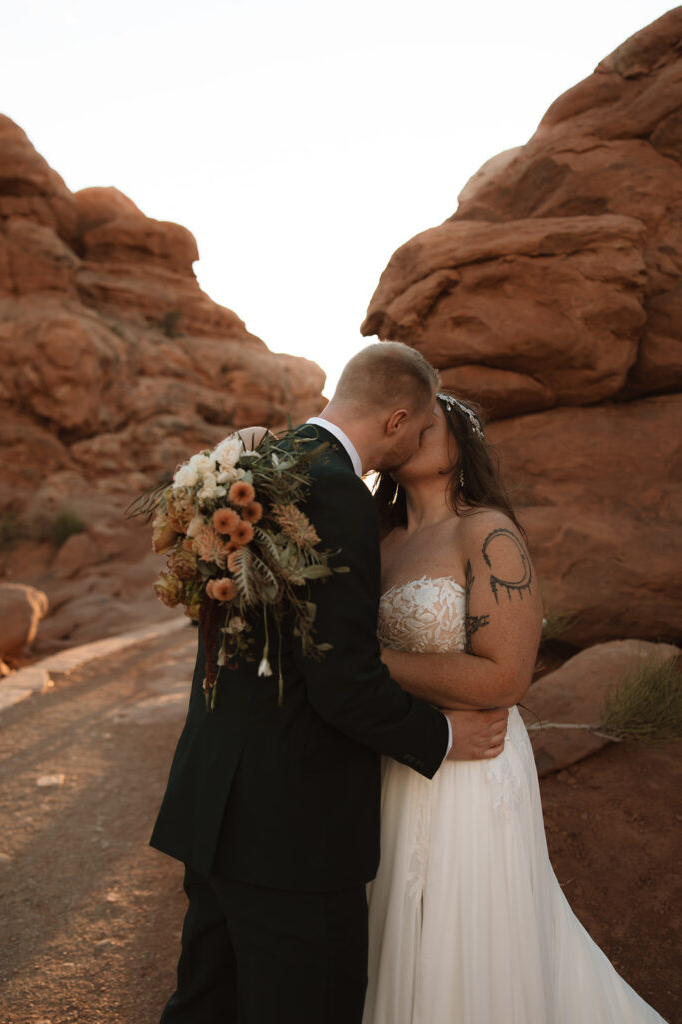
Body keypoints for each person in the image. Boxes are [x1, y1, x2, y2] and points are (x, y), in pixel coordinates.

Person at [151, 343, 508, 1024]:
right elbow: (340, 678)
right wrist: (439, 735)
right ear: (398, 421)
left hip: (213, 795)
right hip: (291, 828)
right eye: (427, 422)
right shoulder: (338, 495)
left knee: (205, 1002)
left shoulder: (250, 467)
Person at [363, 391, 667, 1024]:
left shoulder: (487, 532)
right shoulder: (376, 539)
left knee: (466, 936)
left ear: (458, 446)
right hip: (394, 757)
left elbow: (505, 679)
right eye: (408, 418)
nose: (418, 426)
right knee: (393, 928)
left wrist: (366, 663)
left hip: (472, 769)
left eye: (434, 419)